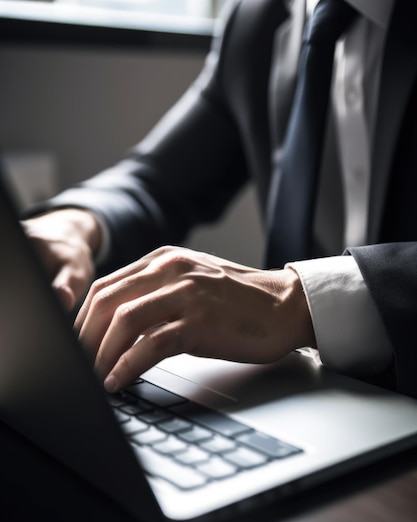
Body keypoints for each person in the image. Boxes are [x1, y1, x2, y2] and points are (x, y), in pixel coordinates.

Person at [23, 0, 417, 399]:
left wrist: (299, 302)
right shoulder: (260, 17)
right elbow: (157, 181)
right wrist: (76, 222)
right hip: (296, 395)